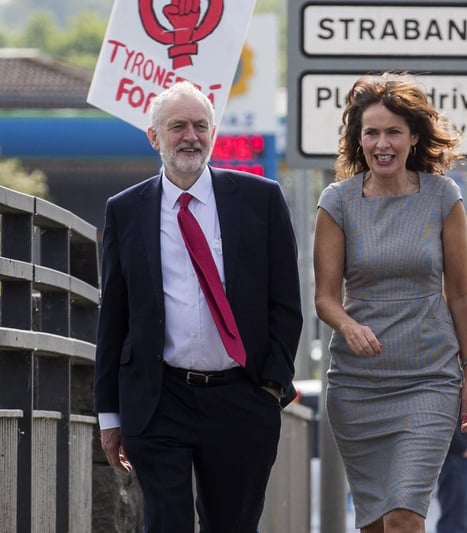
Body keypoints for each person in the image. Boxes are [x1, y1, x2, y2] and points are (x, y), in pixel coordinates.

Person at [93, 81, 303, 532]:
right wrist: (110, 414)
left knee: (231, 525)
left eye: (200, 126)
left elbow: (286, 302)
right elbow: (113, 316)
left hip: (241, 397)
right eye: (177, 127)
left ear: (213, 132)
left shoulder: (260, 199)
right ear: (154, 137)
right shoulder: (124, 210)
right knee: (166, 523)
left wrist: (271, 384)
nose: (190, 136)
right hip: (159, 397)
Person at [313, 72, 467, 533]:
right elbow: (325, 298)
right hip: (358, 386)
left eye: (393, 132)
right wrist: (348, 326)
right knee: (374, 524)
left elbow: (461, 292)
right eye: (372, 132)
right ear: (358, 139)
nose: (382, 143)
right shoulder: (338, 203)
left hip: (429, 379)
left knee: (404, 516)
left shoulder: (442, 196)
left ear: (413, 137)